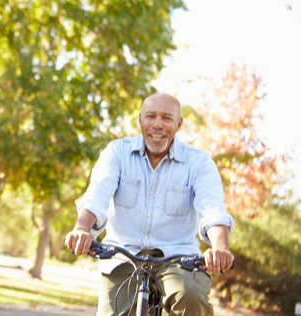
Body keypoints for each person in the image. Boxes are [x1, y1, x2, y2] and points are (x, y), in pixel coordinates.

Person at [65, 93, 235, 316]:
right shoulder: (117, 152)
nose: (157, 125)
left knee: (190, 297)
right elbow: (96, 196)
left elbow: (212, 209)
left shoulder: (199, 162)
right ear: (140, 120)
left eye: (166, 118)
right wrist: (82, 229)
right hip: (122, 256)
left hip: (179, 260)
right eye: (151, 116)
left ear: (178, 124)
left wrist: (220, 247)